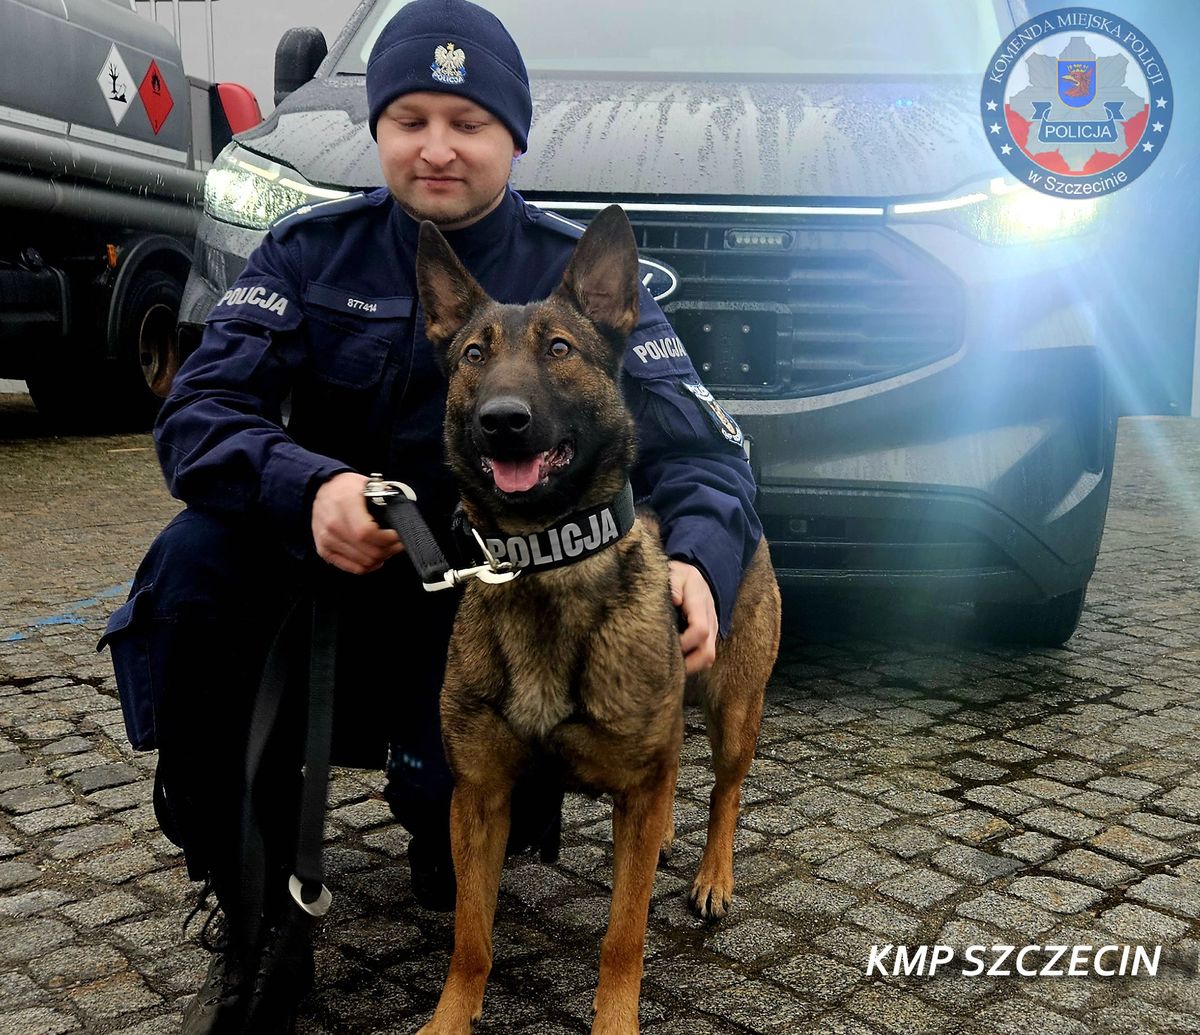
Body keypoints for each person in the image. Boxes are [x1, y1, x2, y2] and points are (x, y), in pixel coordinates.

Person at [100, 0, 764, 1031]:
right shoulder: (307, 255)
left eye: (468, 122)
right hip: (328, 580)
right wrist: (308, 488)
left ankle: (440, 830)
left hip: (488, 606)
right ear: (377, 129)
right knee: (191, 568)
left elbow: (706, 453)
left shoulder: (573, 280)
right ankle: (253, 909)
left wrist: (702, 567)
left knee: (451, 829)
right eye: (410, 119)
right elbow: (198, 413)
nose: (437, 147)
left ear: (514, 137)